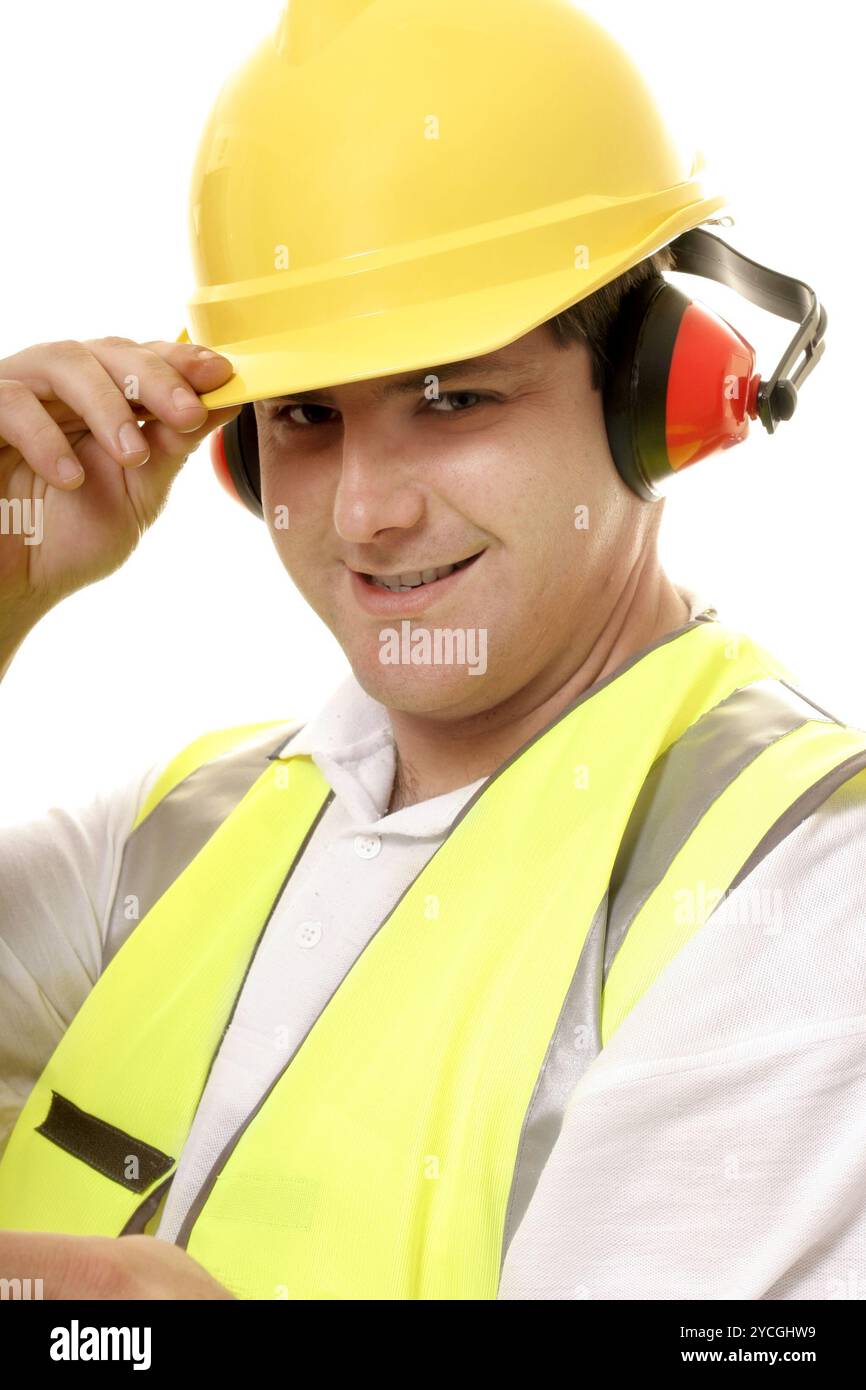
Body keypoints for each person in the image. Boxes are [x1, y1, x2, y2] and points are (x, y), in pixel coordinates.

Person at [1, 0, 864, 1301]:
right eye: (305, 415)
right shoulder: (178, 831)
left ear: (661, 397)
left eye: (453, 395)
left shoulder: (801, 883)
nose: (364, 510)